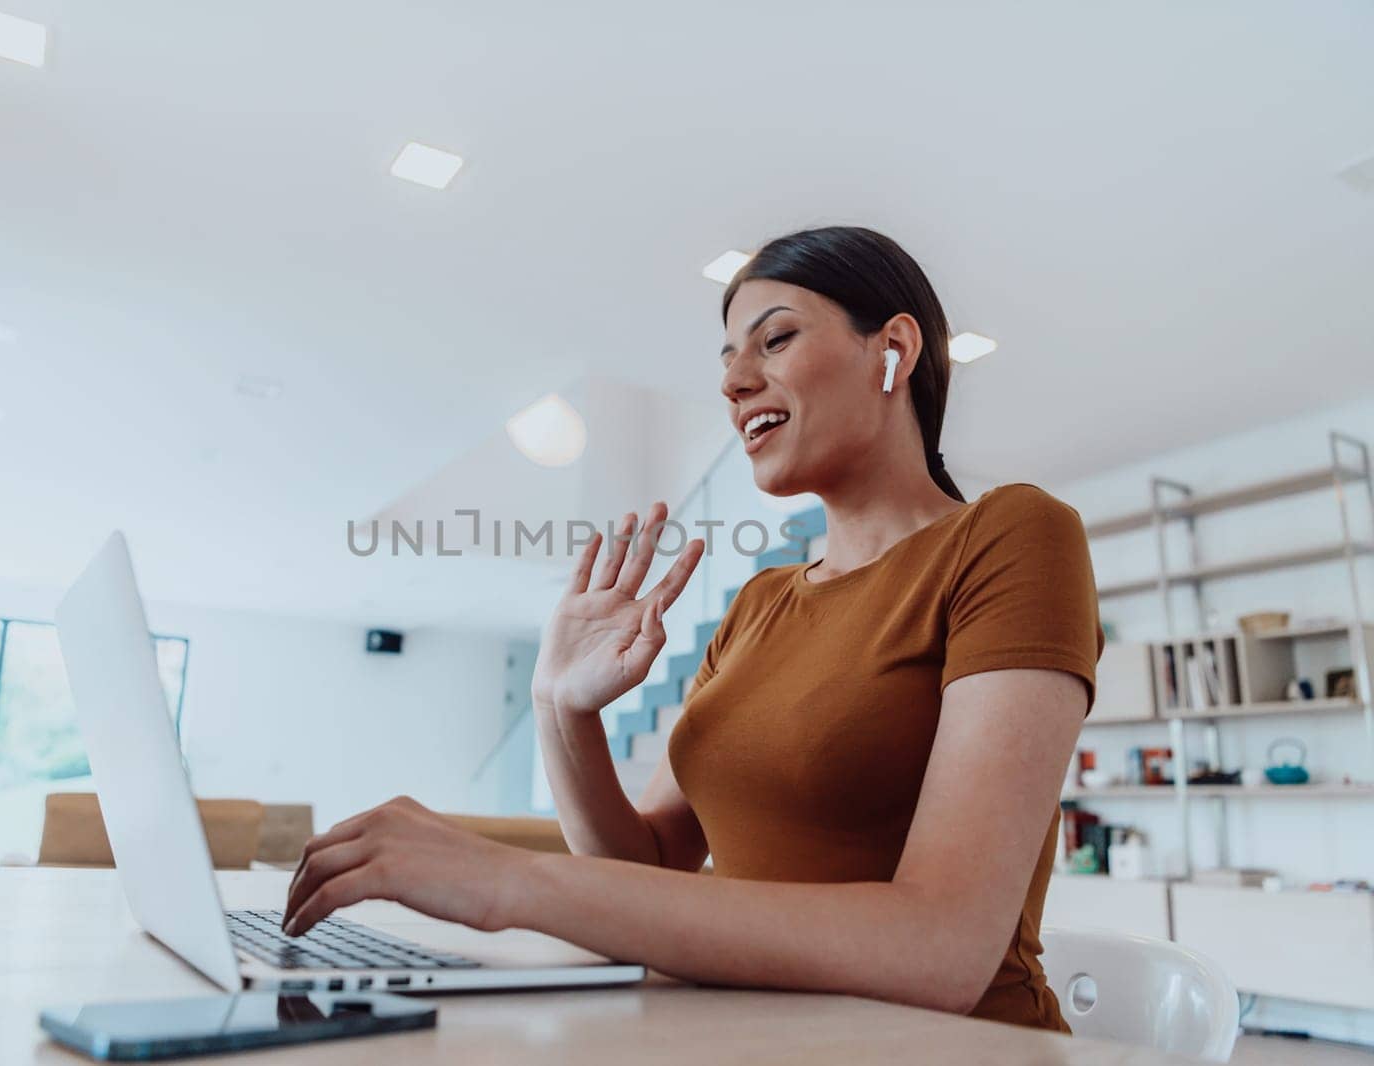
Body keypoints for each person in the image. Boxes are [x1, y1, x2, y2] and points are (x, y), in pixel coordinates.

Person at [283, 226, 1102, 1031]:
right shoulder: (757, 604)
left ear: (891, 347)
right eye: (726, 360)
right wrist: (560, 707)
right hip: (736, 1037)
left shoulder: (1010, 535)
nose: (734, 382)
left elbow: (942, 949)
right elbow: (645, 870)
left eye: (774, 340)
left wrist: (510, 882)